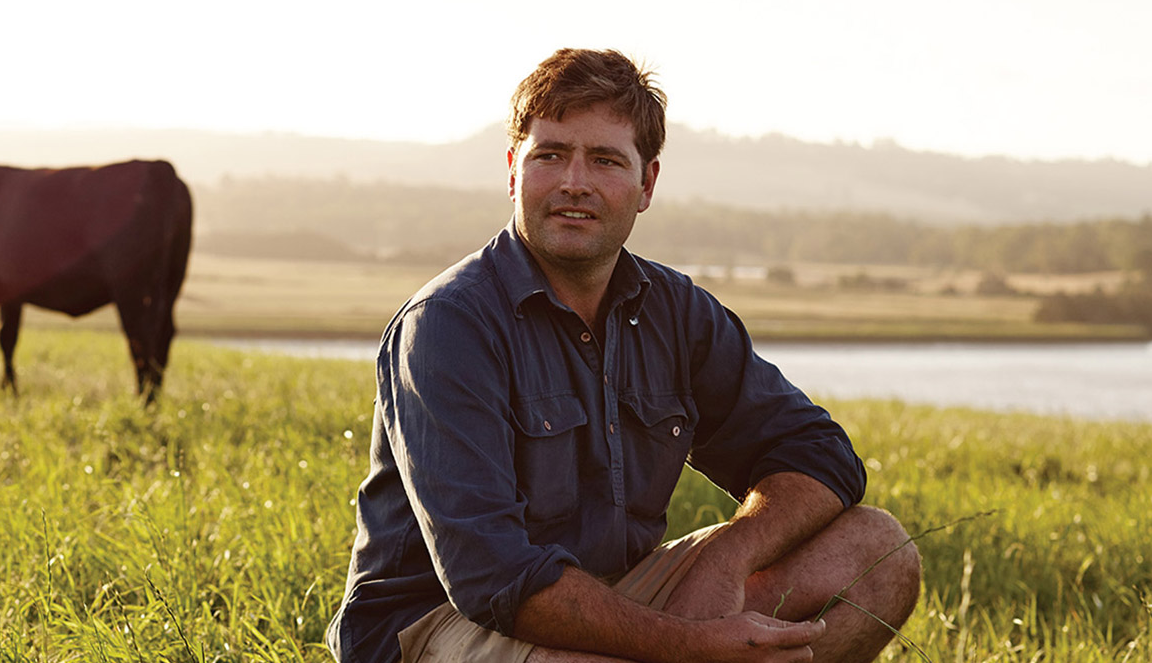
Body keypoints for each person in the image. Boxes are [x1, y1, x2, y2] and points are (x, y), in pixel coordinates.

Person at [326, 49, 922, 663]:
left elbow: (819, 453)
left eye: (605, 160)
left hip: (611, 596)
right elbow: (491, 575)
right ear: (512, 170)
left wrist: (727, 558)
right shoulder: (449, 326)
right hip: (442, 623)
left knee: (878, 551)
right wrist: (688, 645)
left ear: (647, 184)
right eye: (549, 154)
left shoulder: (676, 312)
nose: (573, 182)